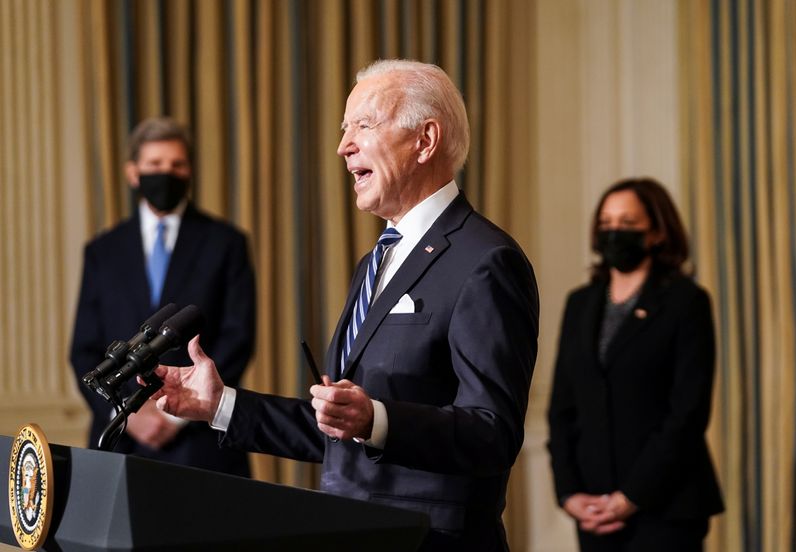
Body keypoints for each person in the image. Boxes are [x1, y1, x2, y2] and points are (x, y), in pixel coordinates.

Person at [149, 60, 539, 551]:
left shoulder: (486, 261)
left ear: (426, 140)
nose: (343, 145)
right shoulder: (375, 261)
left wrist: (376, 418)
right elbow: (340, 430)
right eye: (343, 128)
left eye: (364, 125)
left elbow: (493, 432)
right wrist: (219, 405)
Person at [70, 117, 255, 477]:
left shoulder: (226, 243)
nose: (165, 173)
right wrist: (124, 410)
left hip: (201, 442)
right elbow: (84, 347)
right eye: (155, 165)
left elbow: (238, 338)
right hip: (120, 442)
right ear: (133, 172)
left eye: (177, 165)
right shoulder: (102, 251)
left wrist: (181, 412)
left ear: (189, 172)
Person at [547, 178, 724, 551]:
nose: (614, 233)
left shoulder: (685, 302)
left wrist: (631, 497)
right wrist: (569, 493)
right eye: (606, 224)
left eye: (627, 224)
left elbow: (688, 413)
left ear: (657, 232)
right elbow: (562, 408)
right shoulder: (580, 303)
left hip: (666, 508)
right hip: (593, 509)